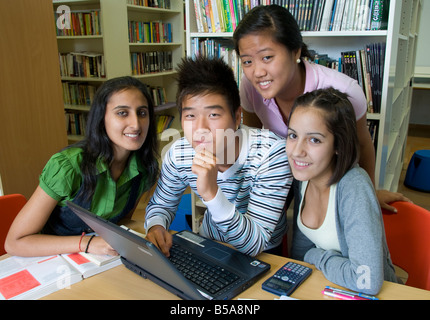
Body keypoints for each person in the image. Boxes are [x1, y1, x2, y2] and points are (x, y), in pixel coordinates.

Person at [232, 4, 410, 212]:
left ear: (295, 51)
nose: (257, 72)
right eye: (247, 61)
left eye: (267, 57)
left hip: (325, 171)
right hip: (283, 164)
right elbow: (255, 137)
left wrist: (369, 194)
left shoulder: (344, 90)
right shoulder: (249, 85)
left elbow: (362, 143)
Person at [145, 56, 292, 257]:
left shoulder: (271, 153)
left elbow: (254, 244)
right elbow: (161, 204)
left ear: (237, 117)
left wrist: (211, 193)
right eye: (190, 116)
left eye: (213, 115)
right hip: (210, 243)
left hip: (266, 253)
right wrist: (156, 226)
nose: (200, 129)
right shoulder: (180, 153)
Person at [5, 76, 159, 257]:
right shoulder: (67, 166)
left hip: (99, 262)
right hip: (51, 260)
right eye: (122, 113)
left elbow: (121, 222)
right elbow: (15, 243)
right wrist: (88, 243)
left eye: (142, 113)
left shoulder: (145, 168)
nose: (136, 124)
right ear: (102, 118)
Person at [287, 88, 398, 294]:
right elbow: (300, 254)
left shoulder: (354, 187)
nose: (296, 151)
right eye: (293, 135)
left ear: (338, 144)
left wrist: (316, 256)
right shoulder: (305, 176)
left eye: (314, 140)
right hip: (328, 287)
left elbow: (367, 281)